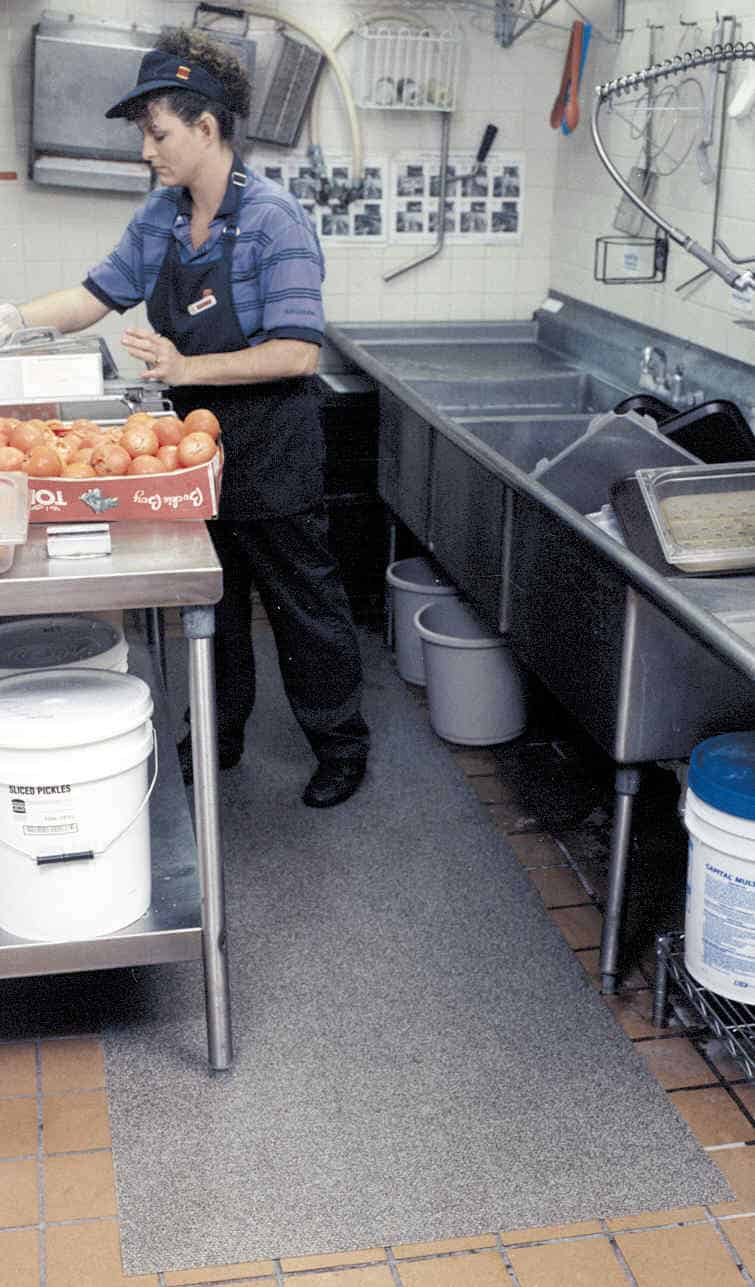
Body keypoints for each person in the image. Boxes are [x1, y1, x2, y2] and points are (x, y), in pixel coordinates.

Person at [0, 28, 369, 808]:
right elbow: (93, 296)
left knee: (304, 605)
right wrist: (8, 319)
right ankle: (218, 731)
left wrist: (183, 368)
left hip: (272, 439)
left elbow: (298, 352)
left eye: (157, 132)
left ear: (207, 128)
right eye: (143, 133)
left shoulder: (274, 221)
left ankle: (340, 743)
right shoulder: (162, 217)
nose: (146, 151)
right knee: (215, 597)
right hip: (191, 448)